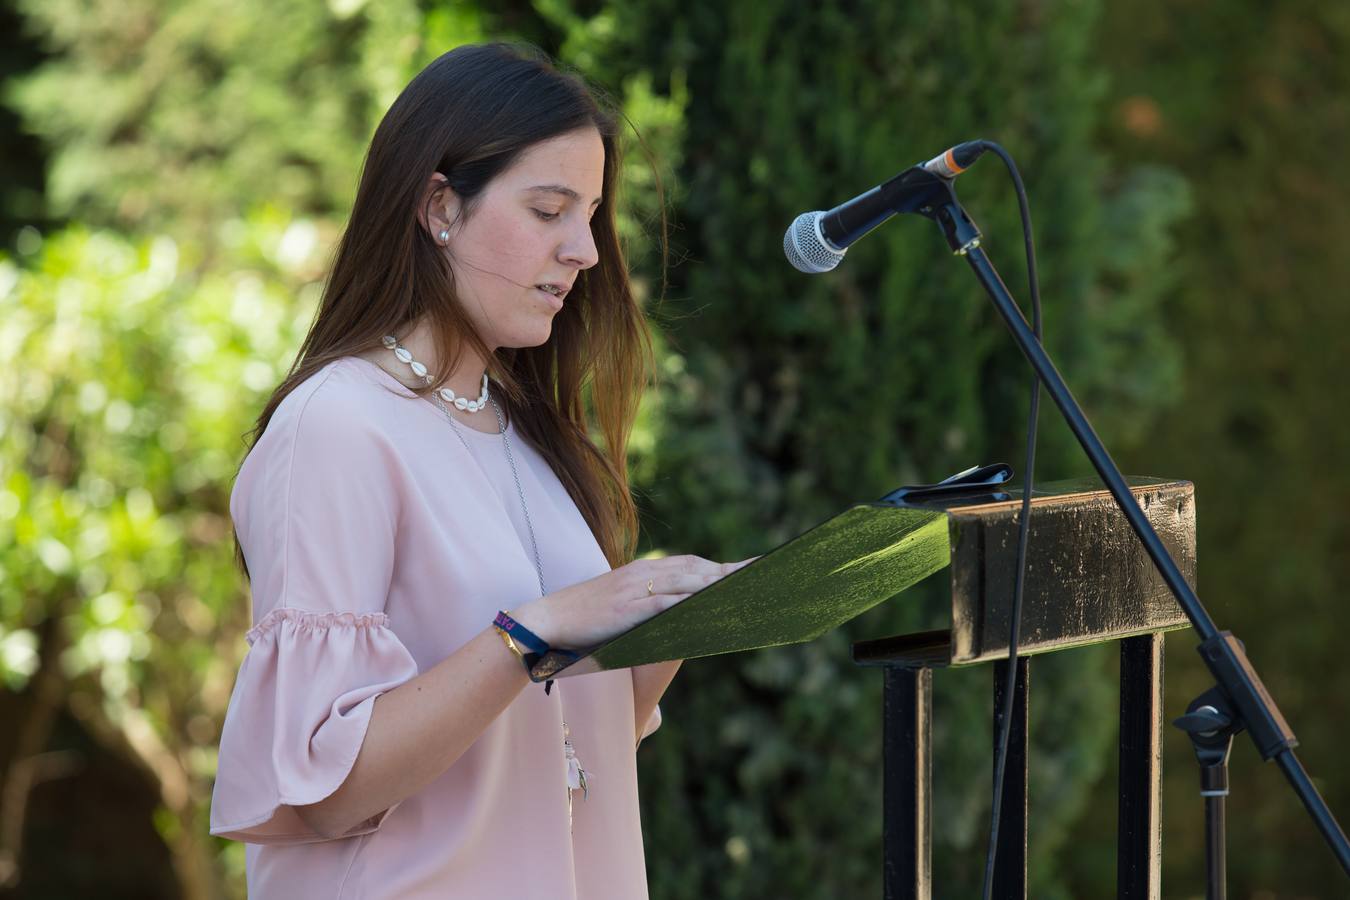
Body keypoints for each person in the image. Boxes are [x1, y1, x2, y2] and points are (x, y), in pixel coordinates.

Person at [209, 42, 751, 899]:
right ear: (438, 207)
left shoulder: (526, 430)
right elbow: (324, 785)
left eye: (592, 215)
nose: (586, 251)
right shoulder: (338, 426)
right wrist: (532, 632)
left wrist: (670, 623)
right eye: (549, 210)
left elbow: (562, 733)